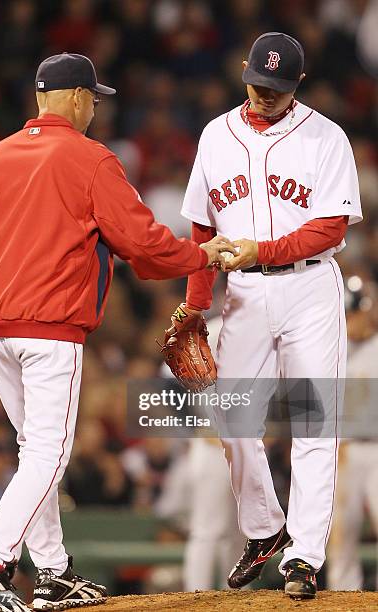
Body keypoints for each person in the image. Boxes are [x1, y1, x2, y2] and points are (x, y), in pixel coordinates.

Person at [0, 52, 234, 611]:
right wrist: (198, 254)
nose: (94, 109)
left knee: (35, 450)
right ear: (80, 98)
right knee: (50, 455)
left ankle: (54, 572)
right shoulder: (89, 158)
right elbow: (141, 242)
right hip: (49, 327)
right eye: (93, 99)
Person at [174, 32, 362, 599]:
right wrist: (195, 303)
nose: (265, 95)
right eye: (257, 84)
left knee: (313, 422)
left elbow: (332, 226)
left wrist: (264, 250)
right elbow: (203, 229)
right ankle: (265, 530)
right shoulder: (216, 134)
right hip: (243, 294)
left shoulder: (326, 137)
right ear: (242, 70)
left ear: (297, 84)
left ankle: (304, 557)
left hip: (308, 287)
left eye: (277, 88)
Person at [327, 276, 378, 590]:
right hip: (342, 452)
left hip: (376, 449)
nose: (351, 320)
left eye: (355, 313)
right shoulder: (329, 350)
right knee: (341, 534)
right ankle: (342, 597)